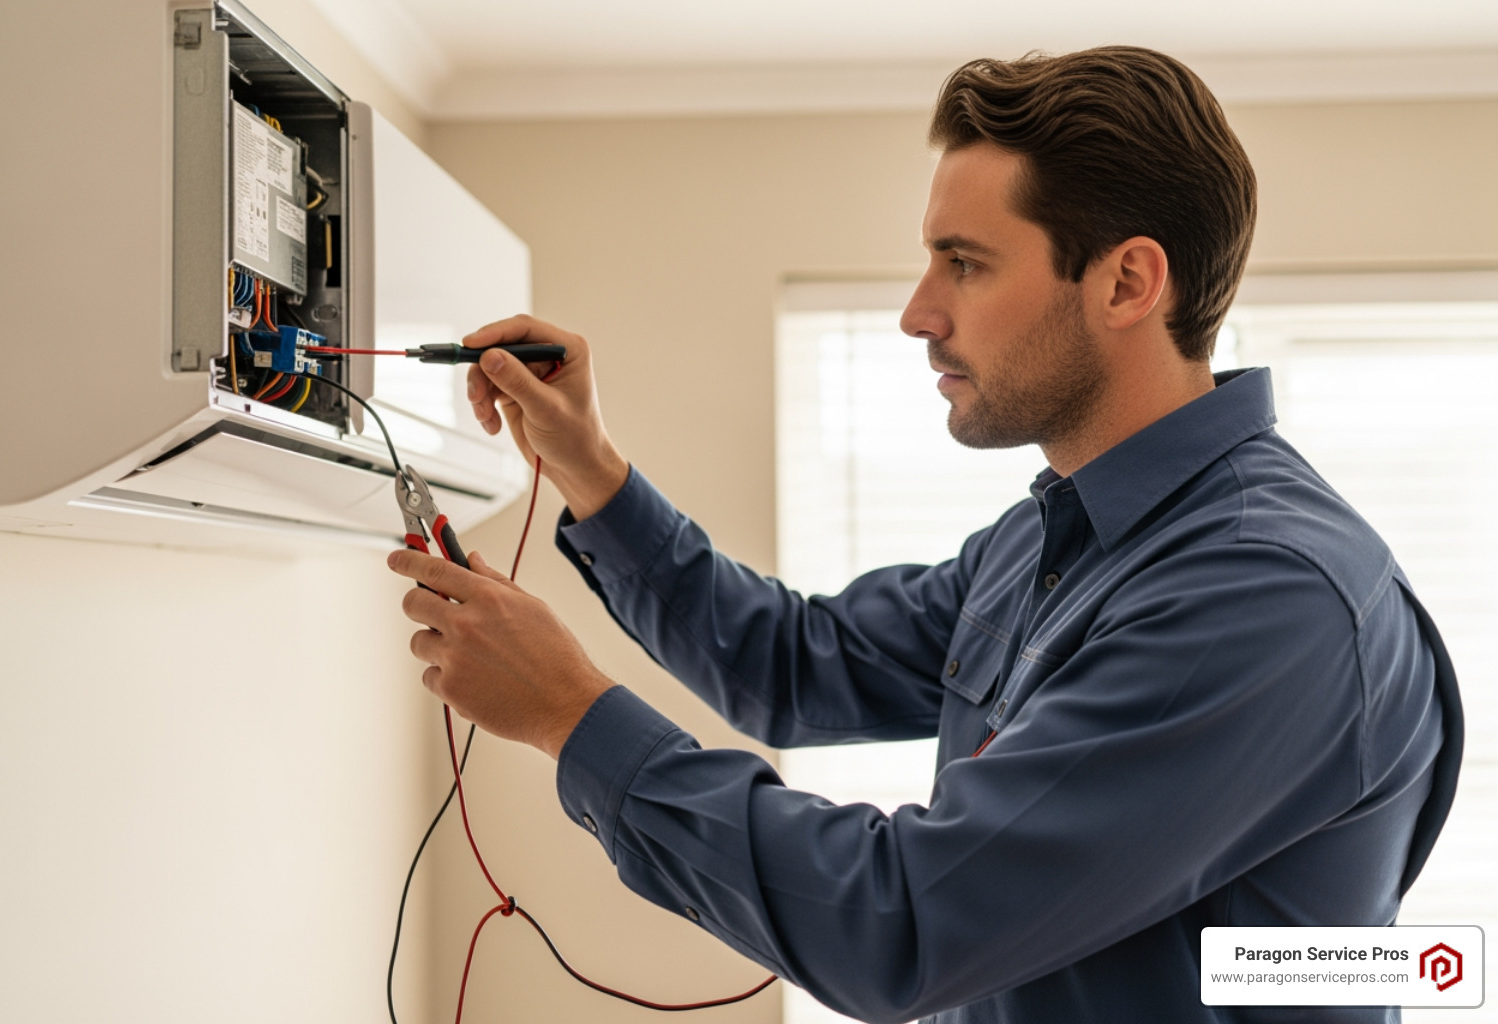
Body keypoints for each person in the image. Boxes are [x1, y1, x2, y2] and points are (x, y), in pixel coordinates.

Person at [387, 46, 1463, 1024]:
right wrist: (590, 466)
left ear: (1127, 282)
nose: (917, 311)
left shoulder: (1268, 597)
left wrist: (575, 716)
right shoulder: (1056, 537)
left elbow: (902, 923)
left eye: (964, 262)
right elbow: (795, 666)